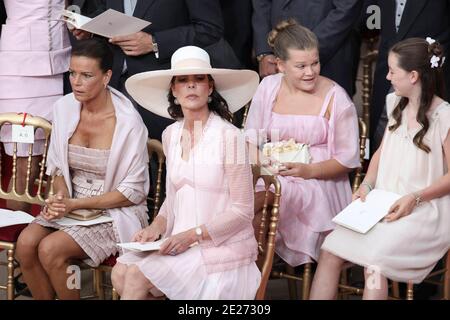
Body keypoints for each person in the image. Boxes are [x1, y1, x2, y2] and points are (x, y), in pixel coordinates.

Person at [111, 45, 261, 300]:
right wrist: (156, 226)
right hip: (178, 243)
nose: (191, 86)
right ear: (174, 89)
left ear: (210, 88)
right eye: (183, 80)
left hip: (219, 250)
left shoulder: (232, 138)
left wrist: (192, 235)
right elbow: (177, 193)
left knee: (136, 275)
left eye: (199, 79)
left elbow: (243, 210)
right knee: (120, 271)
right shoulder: (171, 134)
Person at [310, 38, 450, 300]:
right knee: (329, 250)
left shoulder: (444, 116)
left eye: (392, 71)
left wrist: (415, 197)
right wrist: (367, 184)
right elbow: (380, 153)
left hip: (424, 209)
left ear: (414, 76)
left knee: (373, 262)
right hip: (383, 202)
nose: (387, 76)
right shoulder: (395, 103)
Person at [15, 38, 150, 300]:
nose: (76, 82)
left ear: (106, 76)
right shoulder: (64, 108)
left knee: (50, 250)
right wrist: (59, 195)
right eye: (73, 73)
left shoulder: (128, 123)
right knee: (25, 245)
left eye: (86, 75)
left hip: (114, 211)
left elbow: (131, 193)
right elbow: (57, 169)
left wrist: (73, 205)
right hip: (72, 205)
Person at [244, 20, 360, 268]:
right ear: (280, 65)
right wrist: (265, 164)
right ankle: (247, 276)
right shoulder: (268, 87)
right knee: (246, 194)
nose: (310, 72)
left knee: (259, 205)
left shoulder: (336, 97)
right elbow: (250, 140)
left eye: (315, 63)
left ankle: (248, 281)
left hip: (318, 181)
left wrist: (308, 171)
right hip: (271, 173)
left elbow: (347, 159)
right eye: (301, 66)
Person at [71, 0, 226, 141]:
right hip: (115, 86)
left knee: (162, 162)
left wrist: (155, 42)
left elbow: (209, 29)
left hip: (161, 89)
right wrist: (90, 27)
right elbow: (110, 10)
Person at [0, 0, 71, 212]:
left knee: (59, 163)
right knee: (24, 164)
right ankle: (18, 232)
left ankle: (45, 230)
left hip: (64, 62)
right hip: (20, 69)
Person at [367, 0, 450, 152]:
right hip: (389, 72)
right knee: (381, 134)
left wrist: (431, 59)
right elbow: (370, 19)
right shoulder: (391, 94)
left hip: (429, 77)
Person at [252, 0, 362, 96]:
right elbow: (261, 4)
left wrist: (306, 52)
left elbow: (347, 7)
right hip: (276, 56)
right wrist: (264, 52)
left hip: (330, 54)